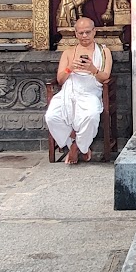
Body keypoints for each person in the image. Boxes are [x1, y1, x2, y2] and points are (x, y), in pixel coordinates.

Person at [46, 17, 111, 164]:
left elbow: (105, 77)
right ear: (76, 34)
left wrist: (93, 69)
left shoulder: (104, 52)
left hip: (90, 91)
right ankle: (79, 142)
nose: (84, 36)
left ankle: (75, 147)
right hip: (69, 92)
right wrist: (71, 68)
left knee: (91, 115)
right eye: (81, 33)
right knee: (51, 117)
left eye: (88, 32)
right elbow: (61, 80)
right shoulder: (68, 53)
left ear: (94, 32)